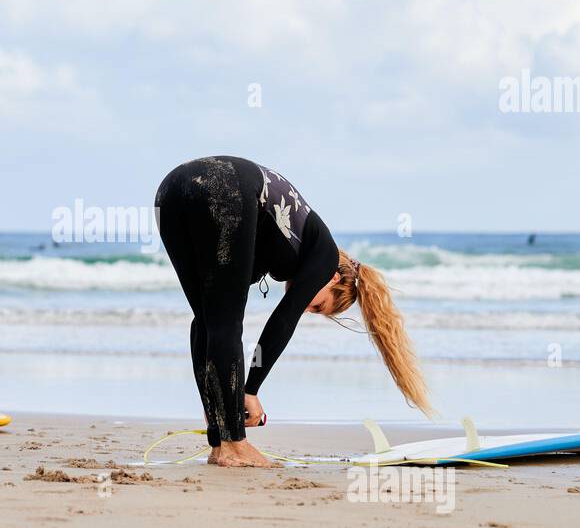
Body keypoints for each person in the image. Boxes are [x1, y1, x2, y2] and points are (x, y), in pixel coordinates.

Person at [155, 155, 432, 467]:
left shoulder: (276, 248)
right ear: (334, 278)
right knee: (224, 324)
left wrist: (223, 405)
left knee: (207, 322)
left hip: (172, 191)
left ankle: (220, 443)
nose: (304, 308)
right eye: (317, 305)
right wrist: (250, 390)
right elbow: (282, 321)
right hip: (225, 186)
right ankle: (234, 445)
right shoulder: (324, 254)